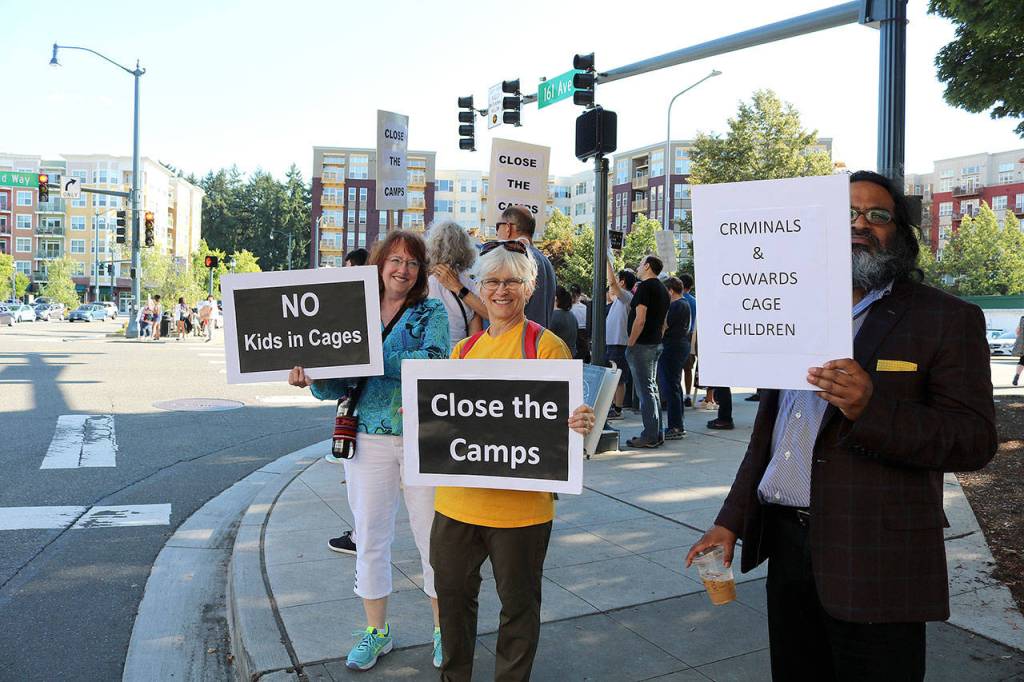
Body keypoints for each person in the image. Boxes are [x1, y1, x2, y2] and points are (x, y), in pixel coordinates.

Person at [685, 170, 997, 681]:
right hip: (787, 548)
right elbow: (771, 436)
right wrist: (730, 521)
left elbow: (975, 440)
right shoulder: (785, 308)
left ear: (900, 232)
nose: (861, 224)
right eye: (846, 213)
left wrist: (871, 409)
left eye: (878, 216)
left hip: (877, 554)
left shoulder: (946, 318)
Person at [430, 239, 595, 681]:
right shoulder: (462, 352)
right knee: (452, 603)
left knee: (518, 608)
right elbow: (450, 420)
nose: (500, 291)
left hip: (521, 510)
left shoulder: (548, 348)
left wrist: (578, 422)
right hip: (456, 504)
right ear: (479, 288)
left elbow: (567, 427)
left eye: (512, 282)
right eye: (492, 282)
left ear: (529, 288)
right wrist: (425, 415)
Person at [289, 231, 449, 672]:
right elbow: (335, 384)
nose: (402, 269)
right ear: (379, 264)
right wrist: (313, 378)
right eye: (395, 260)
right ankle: (378, 631)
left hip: (422, 435)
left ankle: (443, 630)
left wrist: (370, 354)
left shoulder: (430, 309)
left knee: (432, 539)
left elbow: (436, 362)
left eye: (412, 263)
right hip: (368, 438)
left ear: (421, 271)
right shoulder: (352, 313)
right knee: (370, 538)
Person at [625, 255, 670, 448]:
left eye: (640, 263)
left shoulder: (645, 287)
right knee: (652, 389)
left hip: (642, 345)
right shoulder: (662, 288)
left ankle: (650, 435)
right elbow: (664, 323)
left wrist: (631, 343)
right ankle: (656, 433)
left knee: (645, 391)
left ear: (648, 266)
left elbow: (640, 318)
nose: (638, 266)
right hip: (655, 344)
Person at [425, 219, 485, 345]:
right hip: (457, 359)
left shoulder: (422, 283)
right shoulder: (470, 286)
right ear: (465, 248)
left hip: (427, 359)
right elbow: (474, 341)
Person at [495, 205, 556, 327]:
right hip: (538, 340)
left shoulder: (515, 257)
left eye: (498, 226)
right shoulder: (545, 261)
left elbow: (498, 310)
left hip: (516, 342)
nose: (496, 232)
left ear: (508, 227)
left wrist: (460, 289)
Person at [657, 277, 691, 440]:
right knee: (674, 385)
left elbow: (664, 325)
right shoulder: (683, 304)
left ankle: (675, 426)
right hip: (678, 346)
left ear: (670, 291)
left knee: (671, 386)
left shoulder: (677, 305)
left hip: (673, 347)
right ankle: (677, 424)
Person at [606, 265, 638, 420]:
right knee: (613, 377)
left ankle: (618, 409)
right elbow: (611, 287)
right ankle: (613, 406)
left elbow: (612, 283)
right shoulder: (621, 299)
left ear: (623, 283)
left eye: (619, 280)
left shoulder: (626, 296)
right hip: (613, 343)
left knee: (619, 378)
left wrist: (607, 261)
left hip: (619, 343)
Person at [680, 274, 697, 407]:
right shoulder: (694, 301)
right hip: (691, 336)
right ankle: (688, 395)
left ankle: (679, 394)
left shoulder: (676, 299)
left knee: (676, 369)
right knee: (688, 368)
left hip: (678, 336)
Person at [549, 285, 578, 351]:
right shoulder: (572, 316)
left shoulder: (553, 316)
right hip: (570, 355)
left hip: (557, 356)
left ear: (555, 298)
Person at [570, 284, 591, 362]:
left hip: (574, 335)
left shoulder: (568, 309)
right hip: (583, 336)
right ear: (579, 294)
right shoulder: (585, 308)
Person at [1012, 315, 1024, 385]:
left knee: (1022, 361)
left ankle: (1017, 376)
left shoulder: (1022, 319)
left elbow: (1017, 331)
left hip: (1023, 344)